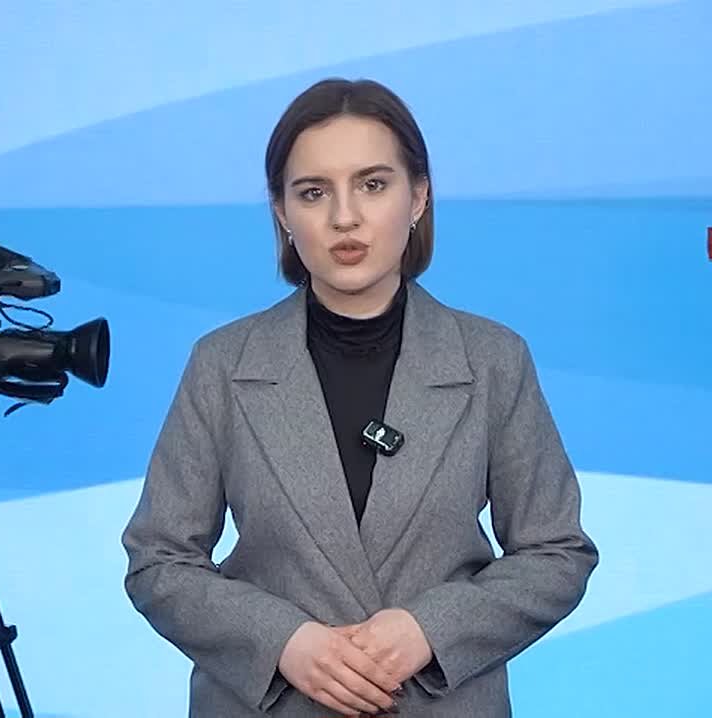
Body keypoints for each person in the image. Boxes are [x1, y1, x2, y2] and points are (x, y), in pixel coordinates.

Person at [122, 77, 599, 717]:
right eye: (313, 192)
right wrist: (282, 641)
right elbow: (158, 560)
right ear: (281, 211)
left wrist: (430, 630)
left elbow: (556, 552)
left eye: (372, 185)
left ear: (418, 197)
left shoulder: (493, 359)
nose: (344, 217)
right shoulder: (222, 363)